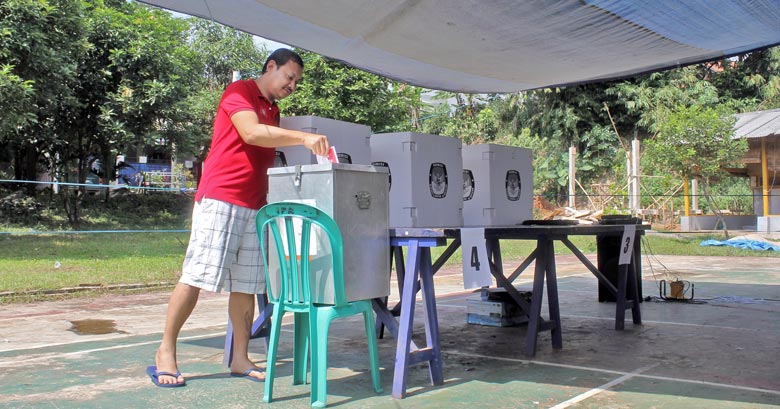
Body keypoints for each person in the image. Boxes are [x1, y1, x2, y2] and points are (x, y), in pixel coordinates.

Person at [147, 49, 329, 387]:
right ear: (271, 67)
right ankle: (166, 351)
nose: (292, 86)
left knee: (247, 285)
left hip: (256, 205)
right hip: (221, 198)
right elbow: (251, 133)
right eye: (289, 77)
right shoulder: (239, 92)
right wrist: (305, 137)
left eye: (296, 82)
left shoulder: (273, 109)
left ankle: (240, 357)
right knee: (196, 275)